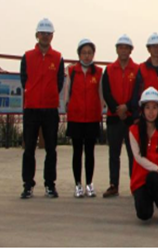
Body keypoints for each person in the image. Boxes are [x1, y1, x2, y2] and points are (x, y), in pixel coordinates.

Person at [20, 18, 64, 199]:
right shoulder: (27, 56)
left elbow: (59, 82)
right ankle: (28, 185)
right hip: (31, 109)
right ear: (37, 35)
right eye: (42, 33)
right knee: (29, 148)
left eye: (48, 34)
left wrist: (49, 96)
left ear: (52, 36)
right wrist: (33, 94)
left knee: (51, 149)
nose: (45, 36)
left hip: (50, 109)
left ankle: (50, 185)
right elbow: (24, 80)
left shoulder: (58, 57)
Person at [66, 39, 104, 198]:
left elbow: (101, 94)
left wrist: (100, 112)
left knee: (90, 152)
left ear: (93, 54)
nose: (87, 56)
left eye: (89, 53)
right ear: (79, 54)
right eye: (84, 53)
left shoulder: (99, 72)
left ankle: (89, 183)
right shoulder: (71, 71)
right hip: (76, 118)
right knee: (77, 152)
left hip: (92, 118)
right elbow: (67, 94)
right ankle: (77, 184)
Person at [102, 34, 139, 198]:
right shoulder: (109, 69)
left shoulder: (137, 69)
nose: (123, 50)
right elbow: (106, 92)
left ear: (131, 50)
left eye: (126, 48)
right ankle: (113, 185)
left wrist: (127, 107)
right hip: (114, 117)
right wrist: (117, 109)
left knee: (133, 154)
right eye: (120, 47)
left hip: (131, 118)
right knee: (113, 153)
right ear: (116, 50)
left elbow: (138, 92)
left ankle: (135, 185)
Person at [129, 87, 158, 225]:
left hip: (157, 180)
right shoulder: (134, 131)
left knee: (153, 177)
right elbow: (138, 157)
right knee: (144, 215)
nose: (151, 112)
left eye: (154, 107)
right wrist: (157, 168)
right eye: (147, 107)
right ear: (142, 109)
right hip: (140, 181)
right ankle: (147, 199)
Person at [130, 33, 158, 125]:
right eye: (153, 46)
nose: (156, 49)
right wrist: (136, 115)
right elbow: (136, 93)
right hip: (147, 117)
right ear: (148, 49)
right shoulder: (141, 68)